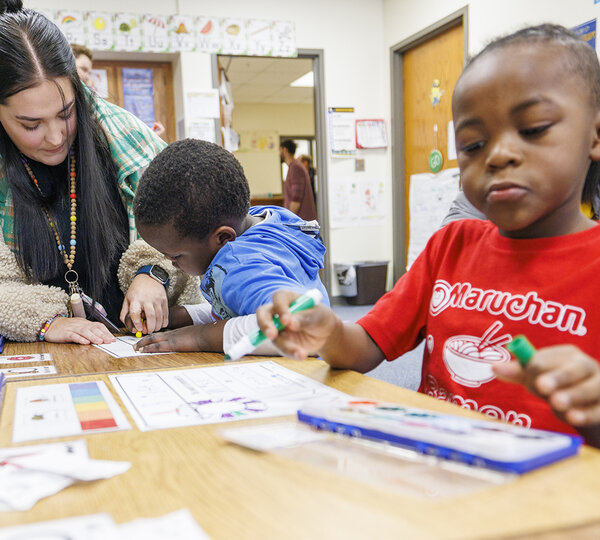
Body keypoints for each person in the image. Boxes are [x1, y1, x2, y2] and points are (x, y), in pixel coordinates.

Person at [257, 24, 600, 447]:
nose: (498, 155)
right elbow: (363, 346)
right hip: (437, 468)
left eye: (533, 129)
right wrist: (328, 332)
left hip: (552, 493)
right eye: (473, 145)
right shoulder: (450, 247)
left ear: (595, 134)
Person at [0, 0, 201, 350]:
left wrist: (151, 272)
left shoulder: (115, 128)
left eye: (66, 113)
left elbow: (182, 214)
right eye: (30, 124)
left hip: (129, 339)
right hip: (24, 347)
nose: (55, 137)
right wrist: (44, 320)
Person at [130, 138, 329, 355]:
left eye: (175, 255)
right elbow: (240, 307)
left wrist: (198, 337)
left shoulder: (238, 264)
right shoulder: (265, 218)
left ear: (223, 238)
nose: (171, 263)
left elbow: (304, 324)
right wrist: (181, 315)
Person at [280, 140, 316, 221]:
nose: (278, 154)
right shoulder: (293, 166)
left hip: (300, 222)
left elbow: (296, 199)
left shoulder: (295, 167)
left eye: (280, 150)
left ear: (285, 150)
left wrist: (288, 220)